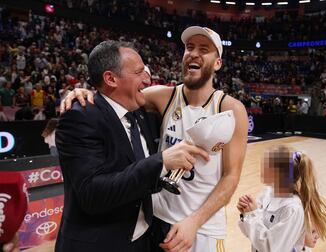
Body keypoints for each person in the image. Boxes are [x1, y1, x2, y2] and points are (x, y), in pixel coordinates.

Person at [61, 26, 248, 252]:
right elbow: (112, 94)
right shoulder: (162, 97)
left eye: (204, 49)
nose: (194, 53)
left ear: (217, 63)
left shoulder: (231, 109)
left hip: (201, 227)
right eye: (189, 47)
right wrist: (80, 92)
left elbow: (231, 178)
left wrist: (195, 221)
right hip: (156, 221)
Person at [237, 145, 326, 252]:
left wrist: (252, 215)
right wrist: (246, 213)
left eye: (266, 165)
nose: (262, 168)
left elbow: (271, 248)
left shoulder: (293, 208)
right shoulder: (266, 193)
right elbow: (252, 234)